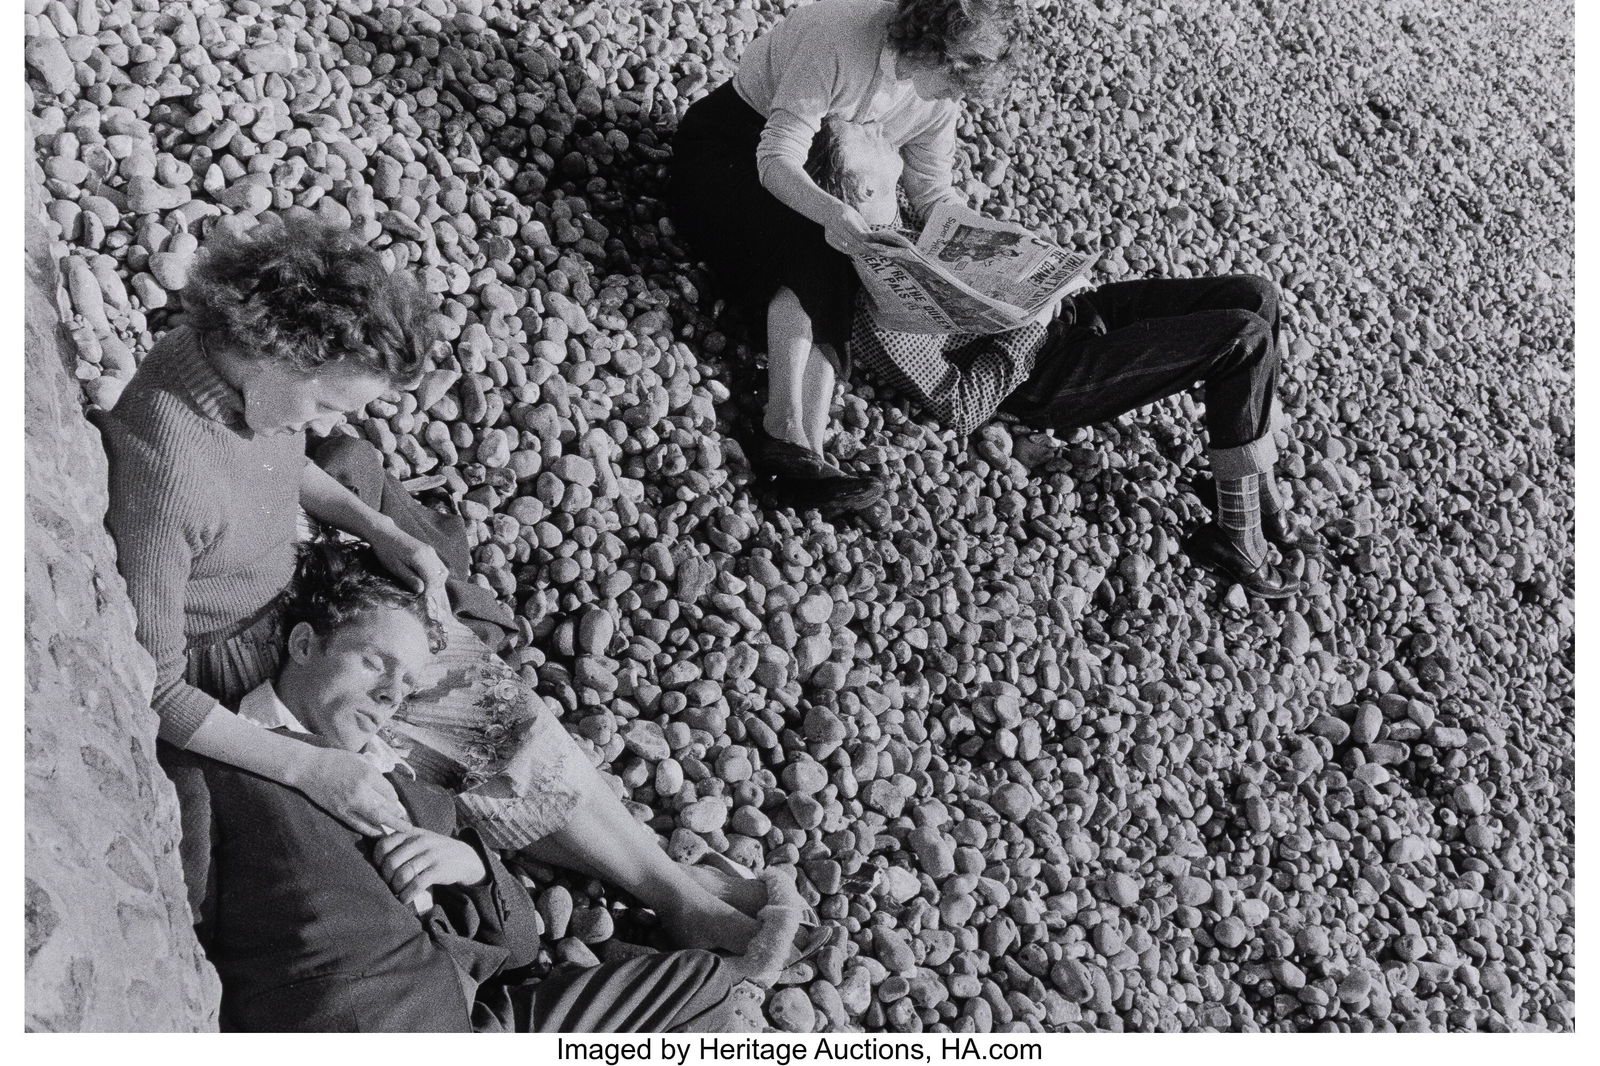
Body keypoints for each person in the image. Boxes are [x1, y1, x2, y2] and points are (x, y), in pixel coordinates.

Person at [97, 210, 767, 953]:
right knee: (461, 740)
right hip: (246, 658)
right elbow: (158, 687)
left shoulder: (225, 368)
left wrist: (379, 528)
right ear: (274, 351)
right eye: (326, 403)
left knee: (491, 711)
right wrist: (308, 767)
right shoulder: (167, 473)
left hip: (291, 595)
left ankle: (667, 884)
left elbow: (277, 465)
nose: (322, 424)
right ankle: (669, 891)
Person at [199, 541, 803, 1032]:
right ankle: (676, 890)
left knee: (703, 984)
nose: (389, 695)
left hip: (477, 1019)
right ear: (304, 645)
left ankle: (673, 888)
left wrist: (471, 869)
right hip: (367, 1027)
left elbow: (517, 947)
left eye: (404, 685)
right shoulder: (225, 767)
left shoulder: (410, 780)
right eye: (375, 664)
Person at [818, 120, 1316, 598]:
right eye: (861, 133)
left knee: (1257, 294)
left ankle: (1256, 489)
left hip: (1075, 313)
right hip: (1044, 375)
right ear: (862, 190)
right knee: (1243, 339)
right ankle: (1238, 536)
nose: (877, 127)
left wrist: (1037, 267)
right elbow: (963, 405)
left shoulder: (903, 214)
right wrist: (1031, 325)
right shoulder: (875, 302)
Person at [668, 0, 1031, 515]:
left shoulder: (938, 95)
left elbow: (933, 193)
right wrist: (833, 213)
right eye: (955, 83)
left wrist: (996, 246)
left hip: (822, 170)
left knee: (850, 253)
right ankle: (783, 428)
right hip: (731, 149)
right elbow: (776, 157)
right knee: (816, 238)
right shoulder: (840, 37)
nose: (956, 98)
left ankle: (807, 449)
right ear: (934, 51)